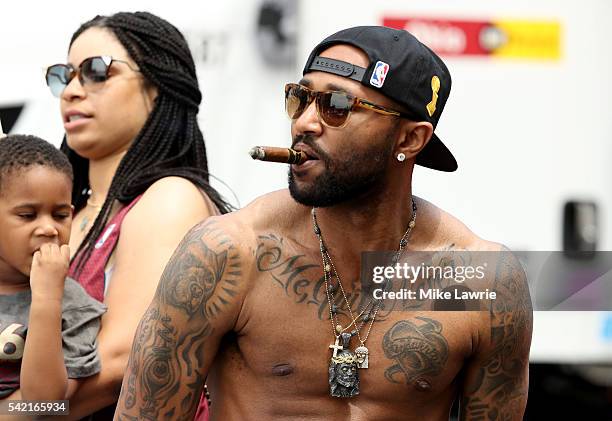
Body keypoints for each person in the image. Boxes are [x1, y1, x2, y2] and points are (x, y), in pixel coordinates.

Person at [115, 26, 533, 420]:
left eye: (337, 106)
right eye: (300, 98)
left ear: (409, 140)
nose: (304, 123)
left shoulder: (482, 280)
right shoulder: (230, 252)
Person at [42, 11, 231, 419]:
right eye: (65, 74)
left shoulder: (169, 199)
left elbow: (123, 359)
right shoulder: (67, 218)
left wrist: (19, 409)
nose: (72, 90)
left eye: (96, 72)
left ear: (158, 87)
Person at [0, 135, 105, 402]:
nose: (49, 229)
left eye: (60, 216)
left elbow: (46, 405)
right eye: (27, 215)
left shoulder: (75, 305)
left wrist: (47, 300)